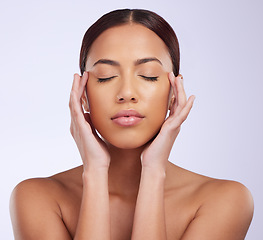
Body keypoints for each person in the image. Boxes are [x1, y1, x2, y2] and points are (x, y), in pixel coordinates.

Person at [10, 9, 254, 240]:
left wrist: (154, 172)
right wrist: (94, 172)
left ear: (174, 93)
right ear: (82, 94)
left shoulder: (225, 200)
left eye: (148, 75)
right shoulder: (37, 197)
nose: (126, 93)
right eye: (106, 77)